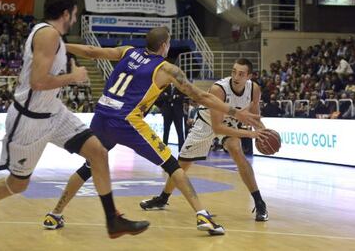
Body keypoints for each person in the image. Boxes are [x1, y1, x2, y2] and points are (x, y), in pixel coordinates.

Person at [0, 0, 149, 243]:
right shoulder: (48, 34)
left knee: (98, 152)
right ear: (66, 13)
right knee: (18, 184)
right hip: (30, 120)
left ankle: (112, 220)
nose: (76, 20)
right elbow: (37, 82)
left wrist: (69, 72)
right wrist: (73, 77)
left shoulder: (54, 38)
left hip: (54, 113)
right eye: (75, 14)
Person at [42, 27, 261, 236]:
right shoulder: (167, 69)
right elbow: (201, 97)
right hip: (127, 121)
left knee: (88, 167)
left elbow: (90, 52)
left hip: (101, 117)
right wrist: (235, 112)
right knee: (172, 166)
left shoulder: (127, 51)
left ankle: (55, 214)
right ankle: (202, 215)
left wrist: (60, 46)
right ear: (165, 46)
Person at [139, 58, 271, 222]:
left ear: (249, 76)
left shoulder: (254, 89)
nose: (236, 76)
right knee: (182, 165)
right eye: (234, 72)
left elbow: (255, 118)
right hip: (207, 123)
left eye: (241, 74)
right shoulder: (219, 89)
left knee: (237, 151)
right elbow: (217, 128)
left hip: (231, 122)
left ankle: (259, 202)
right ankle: (163, 198)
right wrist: (250, 135)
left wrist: (263, 132)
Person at [158, 84, 185, 150]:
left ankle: (181, 150)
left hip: (177, 113)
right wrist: (174, 96)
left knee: (180, 132)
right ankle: (164, 149)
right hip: (167, 112)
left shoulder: (180, 86)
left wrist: (169, 97)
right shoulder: (166, 86)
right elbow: (162, 96)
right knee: (166, 131)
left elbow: (182, 97)